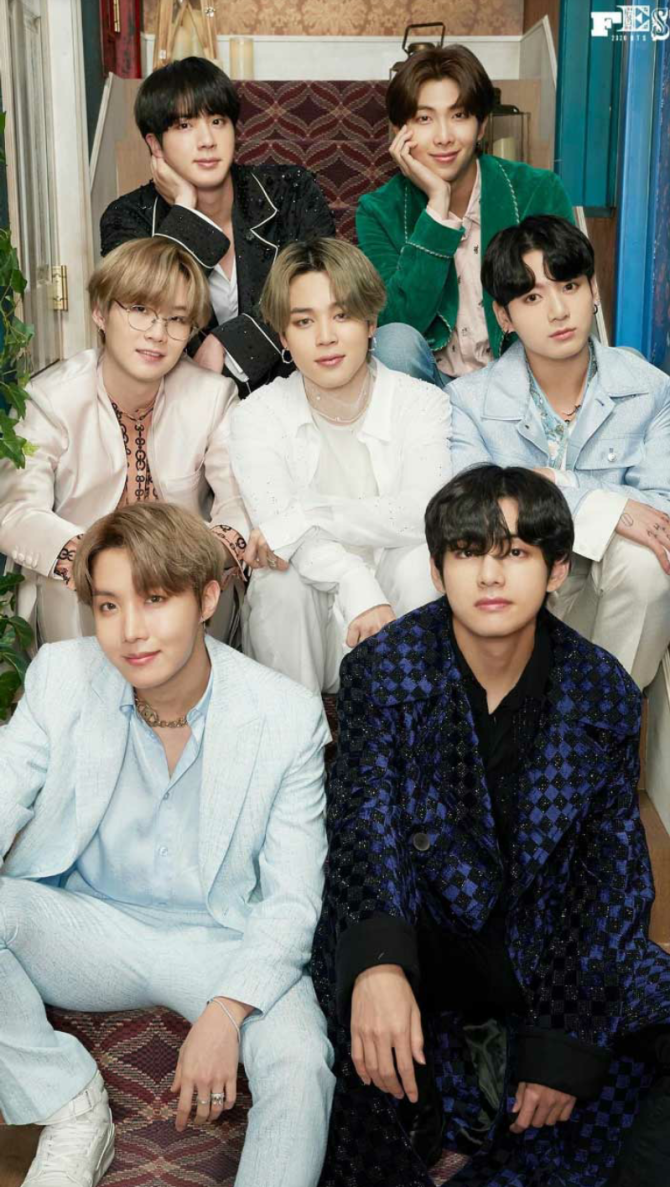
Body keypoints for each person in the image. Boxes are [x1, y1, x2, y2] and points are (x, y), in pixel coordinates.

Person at [311, 465, 670, 1187]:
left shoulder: (602, 688)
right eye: (469, 551)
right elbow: (363, 826)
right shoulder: (383, 668)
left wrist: (565, 1039)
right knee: (379, 1116)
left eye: (515, 552)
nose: (490, 574)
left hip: (544, 944)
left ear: (557, 569)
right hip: (420, 938)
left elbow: (610, 879)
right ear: (437, 568)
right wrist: (378, 964)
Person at [0, 501, 334, 1187]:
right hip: (86, 925)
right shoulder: (61, 675)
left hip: (221, 939)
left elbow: (293, 900)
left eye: (154, 600)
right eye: (110, 605)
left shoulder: (285, 715)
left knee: (302, 1063)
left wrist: (229, 1009)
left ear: (207, 598)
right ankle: (70, 1105)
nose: (130, 631)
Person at [0, 236, 284, 646]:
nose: (157, 333)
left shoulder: (212, 397)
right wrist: (95, 562)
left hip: (183, 580)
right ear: (100, 313)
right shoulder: (51, 397)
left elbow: (240, 502)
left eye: (176, 319)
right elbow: (17, 510)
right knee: (78, 592)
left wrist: (195, 557)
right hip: (81, 591)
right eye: (139, 310)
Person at [449, 214, 670, 695]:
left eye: (569, 286)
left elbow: (662, 514)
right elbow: (471, 511)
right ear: (504, 316)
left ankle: (600, 719)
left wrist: (560, 482)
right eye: (532, 297)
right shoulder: (468, 401)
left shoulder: (652, 390)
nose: (557, 310)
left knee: (647, 563)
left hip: (609, 598)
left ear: (593, 291)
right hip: (511, 594)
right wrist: (600, 504)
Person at [229, 237, 452, 694]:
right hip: (310, 619)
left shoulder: (422, 403)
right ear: (283, 337)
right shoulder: (256, 415)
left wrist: (307, 515)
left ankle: (414, 727)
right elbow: (280, 539)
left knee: (421, 564)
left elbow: (423, 513)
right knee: (278, 580)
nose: (325, 337)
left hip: (397, 605)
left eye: (342, 315)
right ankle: (295, 734)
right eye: (303, 321)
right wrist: (353, 579)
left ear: (371, 322)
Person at [101, 56, 335, 394]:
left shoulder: (290, 191)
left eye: (217, 121)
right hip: (179, 400)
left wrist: (231, 342)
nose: (207, 140)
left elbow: (321, 287)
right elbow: (149, 312)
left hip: (294, 389)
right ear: (155, 144)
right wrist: (184, 209)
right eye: (185, 126)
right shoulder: (127, 218)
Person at [356, 45, 574, 388]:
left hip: (518, 378)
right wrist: (437, 209)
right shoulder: (379, 210)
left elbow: (564, 304)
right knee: (394, 343)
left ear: (482, 125)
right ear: (399, 131)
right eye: (424, 119)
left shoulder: (537, 190)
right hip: (429, 386)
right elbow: (395, 321)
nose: (444, 137)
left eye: (459, 116)